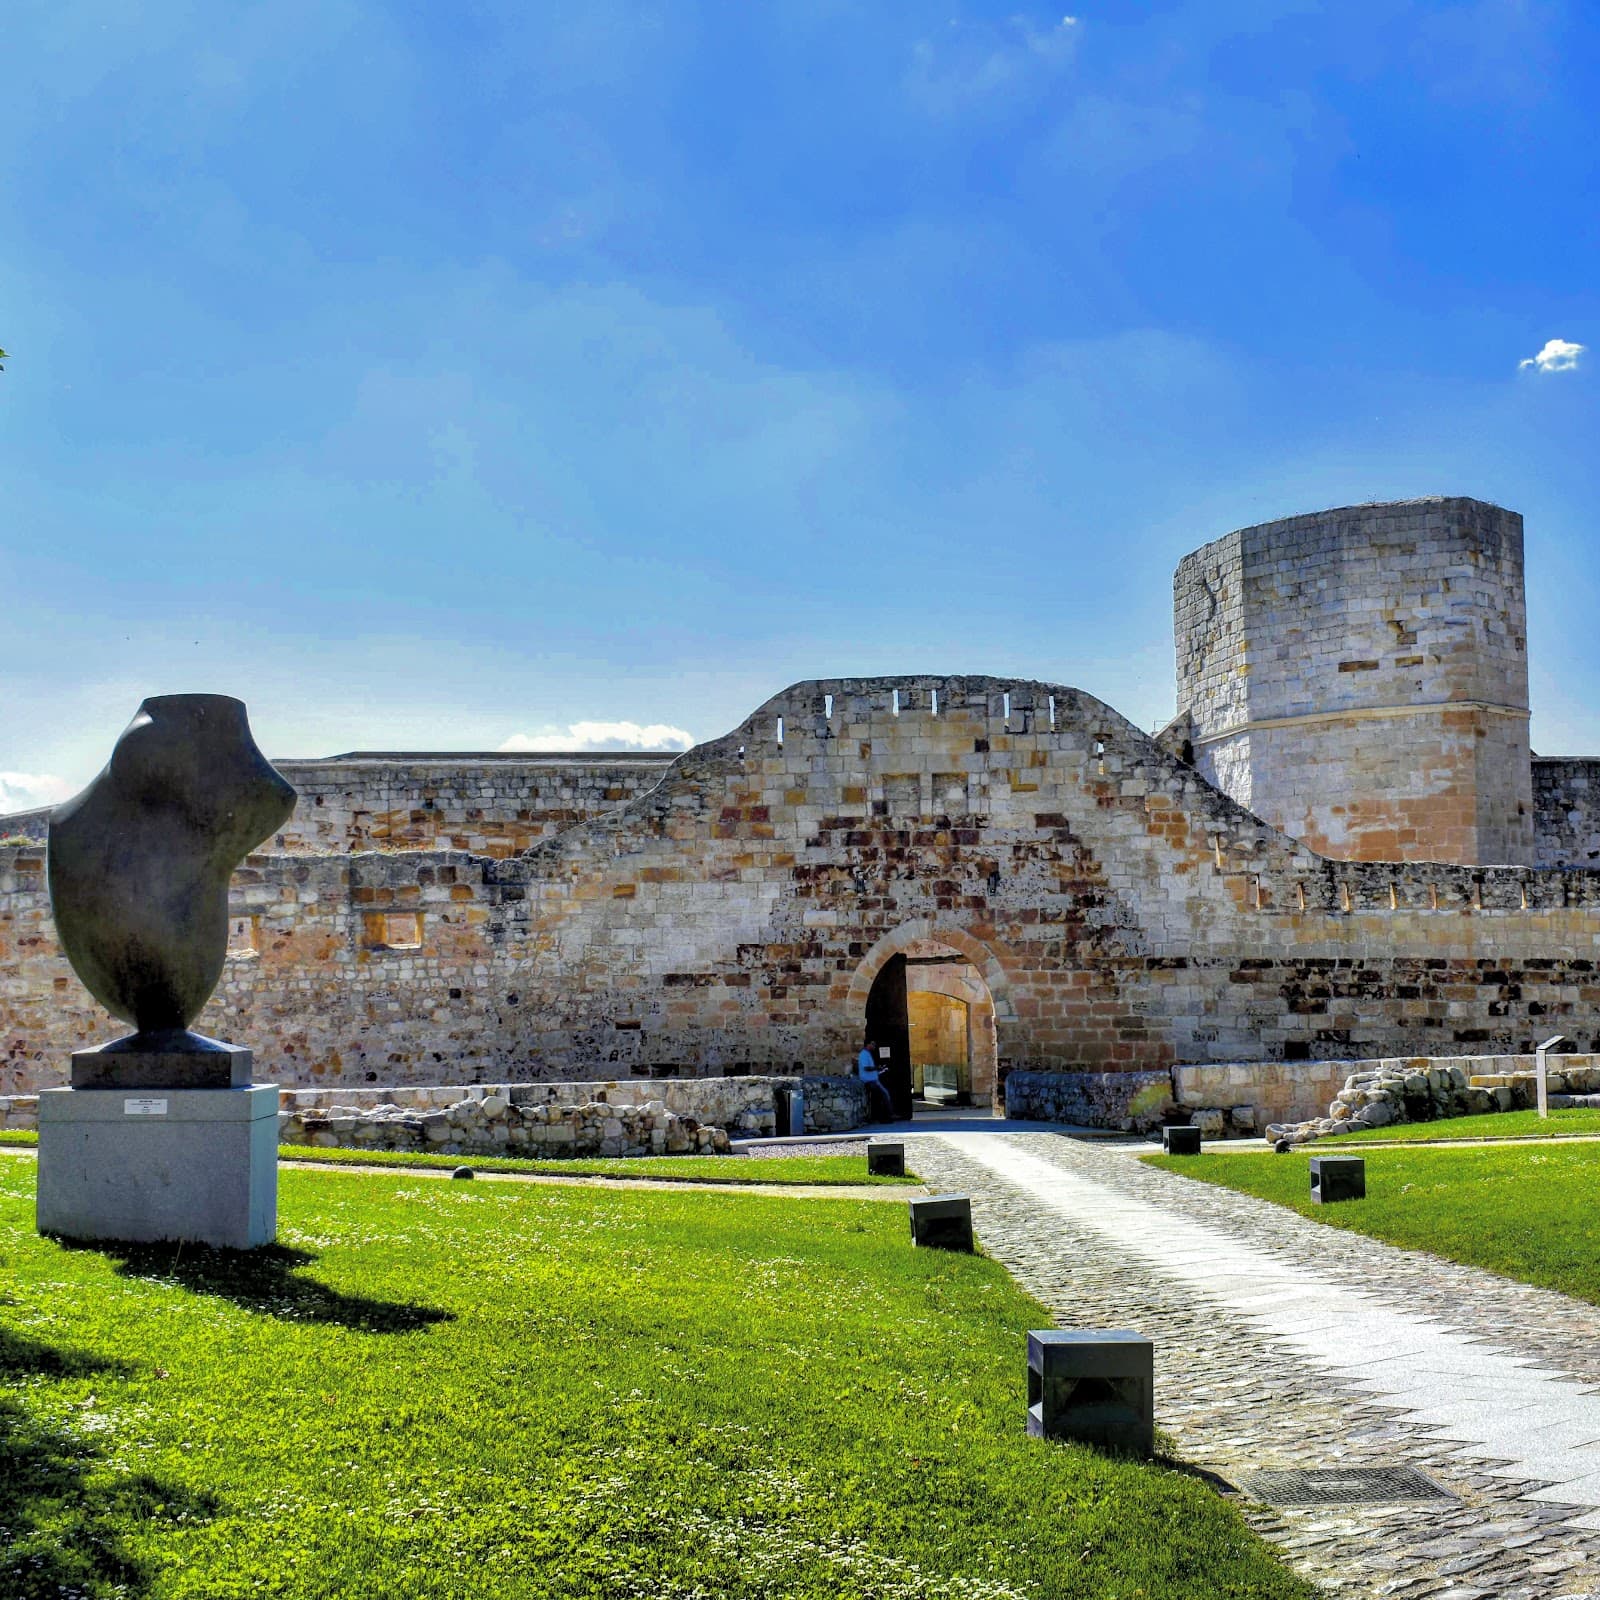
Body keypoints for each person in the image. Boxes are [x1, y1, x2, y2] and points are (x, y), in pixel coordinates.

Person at [857, 1037, 894, 1122]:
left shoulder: (867, 1054)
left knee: (882, 1097)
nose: (874, 1046)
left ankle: (885, 1116)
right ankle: (886, 1117)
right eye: (873, 1044)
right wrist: (877, 1068)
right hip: (870, 1081)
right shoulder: (864, 1054)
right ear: (868, 1044)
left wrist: (880, 1069)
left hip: (873, 1080)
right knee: (884, 1096)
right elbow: (866, 1068)